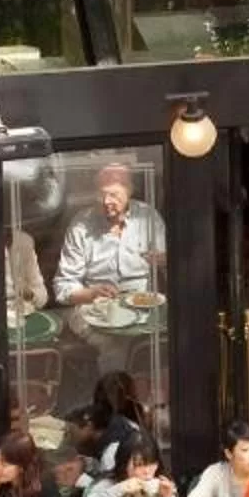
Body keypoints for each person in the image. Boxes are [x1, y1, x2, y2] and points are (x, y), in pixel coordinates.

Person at [56, 162, 166, 395]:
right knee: (114, 347)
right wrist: (92, 292)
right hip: (91, 307)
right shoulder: (81, 225)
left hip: (141, 306)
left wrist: (165, 259)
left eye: (114, 194)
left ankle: (155, 403)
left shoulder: (147, 217)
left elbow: (169, 263)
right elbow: (63, 289)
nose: (107, 202)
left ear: (129, 192)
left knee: (170, 337)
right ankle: (115, 410)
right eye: (102, 195)